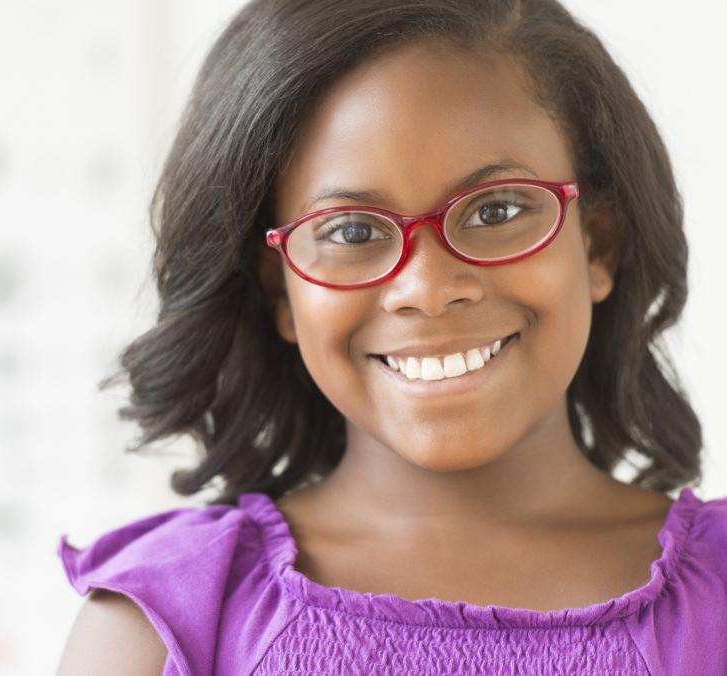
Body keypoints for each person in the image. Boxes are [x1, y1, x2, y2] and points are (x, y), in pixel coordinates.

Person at [55, 0, 727, 673]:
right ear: (278, 288)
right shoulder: (162, 626)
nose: (429, 289)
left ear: (597, 244)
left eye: (497, 211)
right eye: (350, 231)